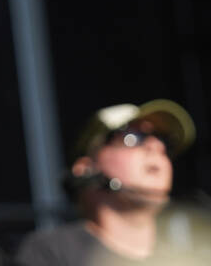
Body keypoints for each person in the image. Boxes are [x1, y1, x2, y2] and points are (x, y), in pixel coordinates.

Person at [13, 99, 196, 265]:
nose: (156, 146)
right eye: (132, 137)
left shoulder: (194, 259)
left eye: (165, 142)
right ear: (86, 168)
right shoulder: (49, 254)